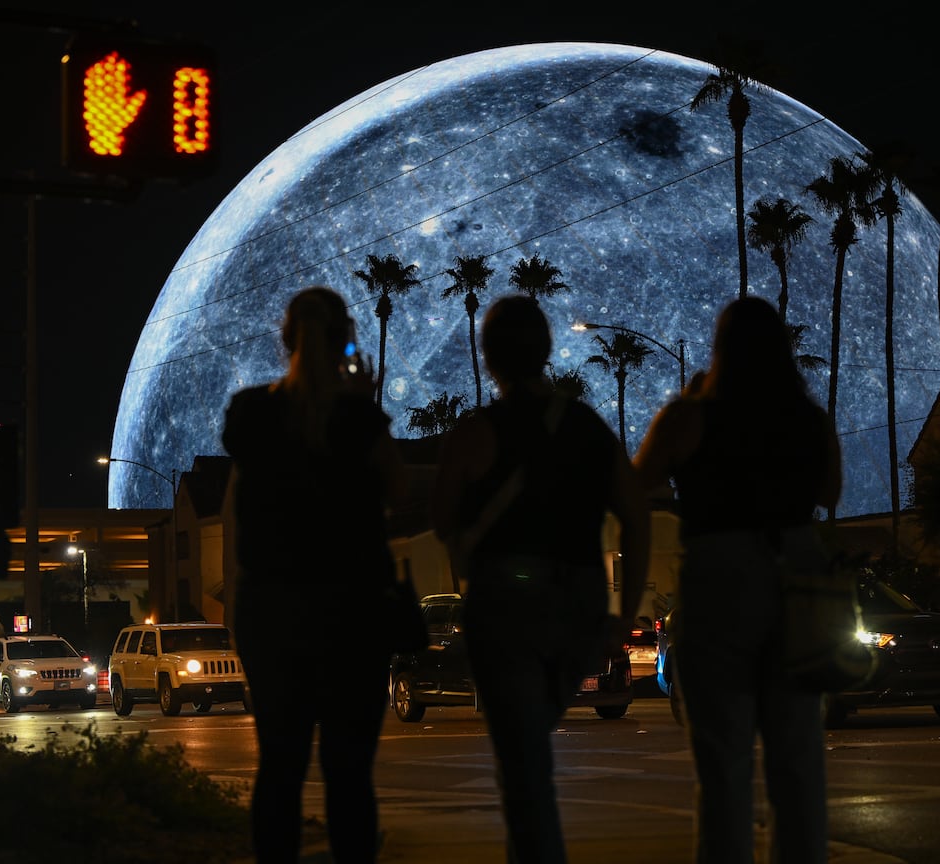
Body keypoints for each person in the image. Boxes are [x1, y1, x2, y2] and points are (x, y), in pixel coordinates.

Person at [431, 294, 650, 864]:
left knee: (523, 767)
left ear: (489, 359)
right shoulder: (587, 428)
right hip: (575, 601)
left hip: (503, 603)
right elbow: (635, 515)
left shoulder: (476, 433)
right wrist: (622, 616)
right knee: (534, 743)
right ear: (547, 350)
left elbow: (443, 519)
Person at [633, 295, 842, 864]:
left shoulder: (692, 416)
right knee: (797, 760)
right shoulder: (806, 419)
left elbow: (639, 479)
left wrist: (691, 403)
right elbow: (831, 492)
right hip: (796, 571)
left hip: (718, 574)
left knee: (722, 762)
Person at [222, 285, 408, 863]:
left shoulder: (250, 414)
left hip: (271, 610)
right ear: (344, 338)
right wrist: (359, 397)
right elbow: (397, 492)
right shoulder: (358, 418)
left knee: (280, 763)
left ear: (286, 338)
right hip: (353, 609)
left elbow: (239, 499)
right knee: (349, 769)